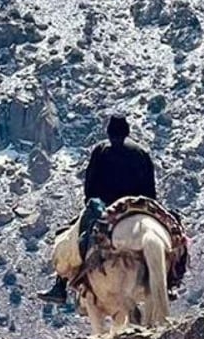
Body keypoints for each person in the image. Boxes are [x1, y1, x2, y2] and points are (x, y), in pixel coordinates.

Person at [40, 114, 157, 304]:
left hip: (106, 207)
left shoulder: (102, 150)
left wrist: (91, 202)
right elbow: (150, 191)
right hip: (137, 208)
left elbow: (90, 187)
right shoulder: (141, 153)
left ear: (108, 132)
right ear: (127, 132)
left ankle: (60, 286)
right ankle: (165, 283)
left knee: (71, 234)